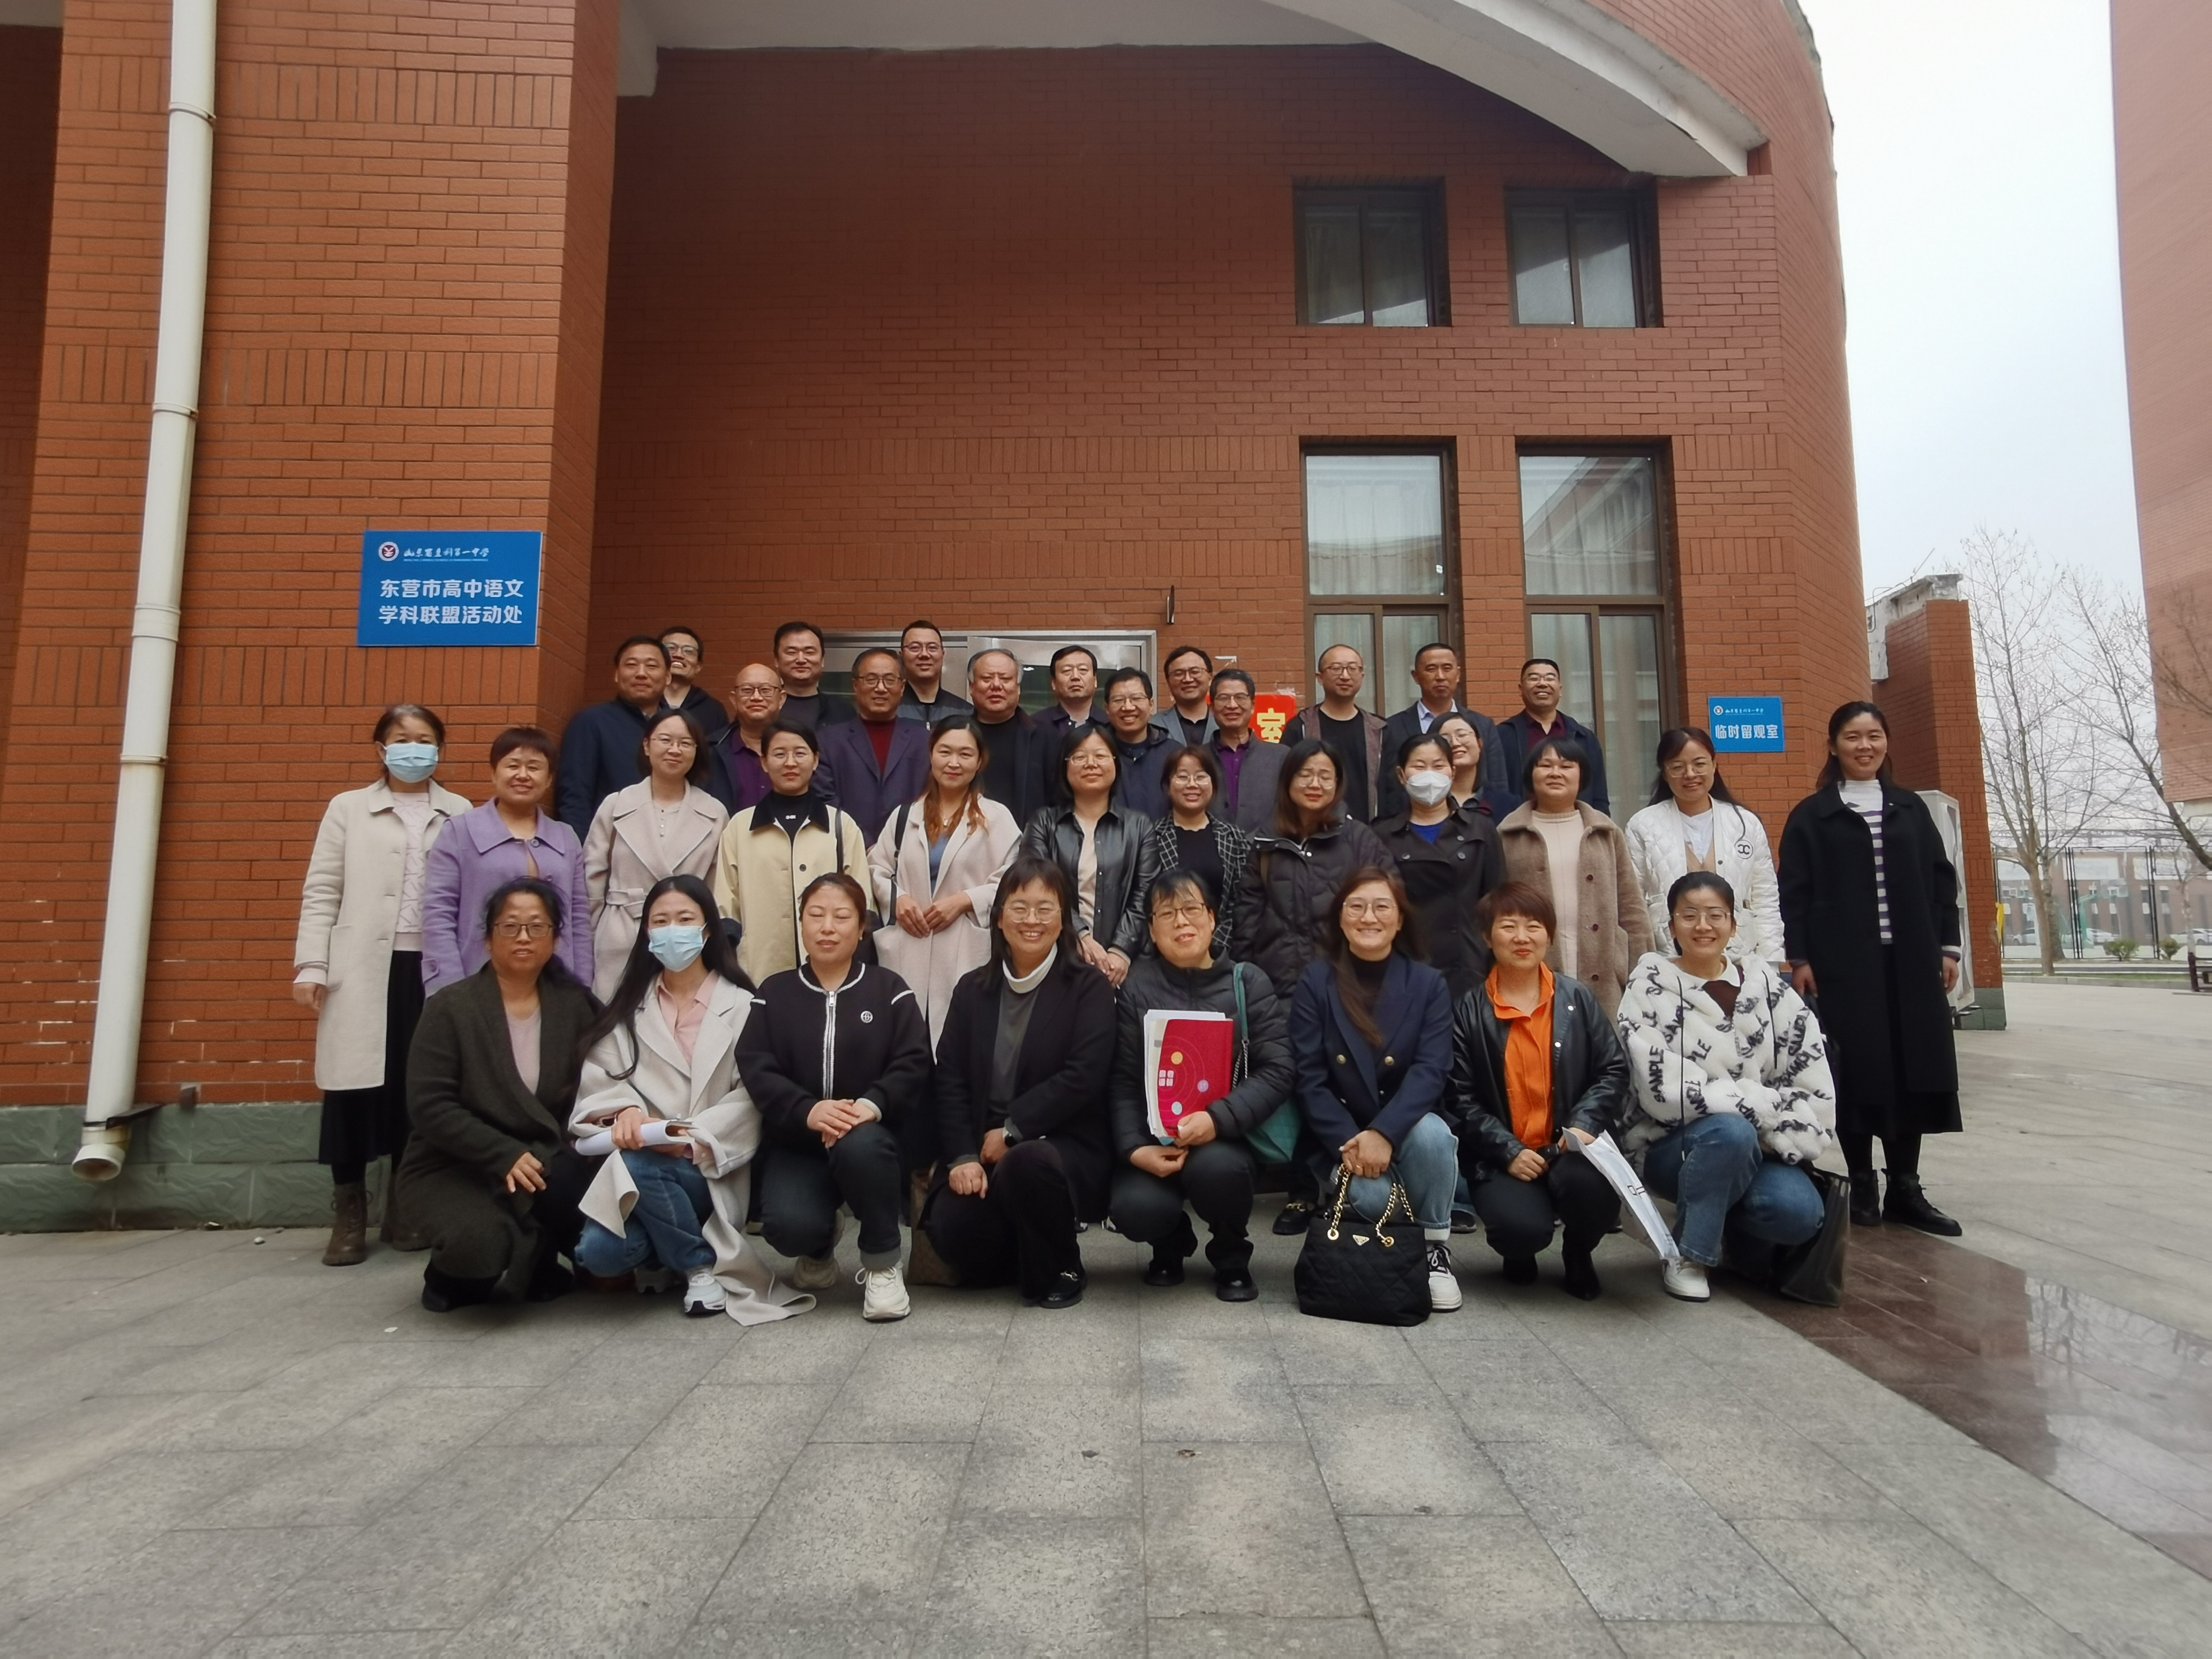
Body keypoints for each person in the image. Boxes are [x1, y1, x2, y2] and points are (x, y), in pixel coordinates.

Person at [572, 875, 809, 1323]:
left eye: (684, 919)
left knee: (640, 1164)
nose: (672, 931)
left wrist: (686, 1139)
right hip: (642, 1160)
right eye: (660, 921)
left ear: (707, 930)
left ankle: (697, 1267)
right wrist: (626, 1113)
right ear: (646, 932)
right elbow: (600, 1081)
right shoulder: (628, 1007)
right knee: (598, 1255)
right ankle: (680, 1250)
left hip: (708, 1166)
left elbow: (752, 1095)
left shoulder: (742, 1005)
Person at [294, 703, 472, 1264]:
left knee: (417, 1086)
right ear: (381, 748)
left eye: (424, 739)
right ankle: (349, 1210)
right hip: (362, 967)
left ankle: (406, 1205)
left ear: (439, 749)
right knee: (351, 1088)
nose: (413, 749)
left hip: (432, 968)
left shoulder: (459, 812)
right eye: (402, 738)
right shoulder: (348, 808)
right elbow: (322, 890)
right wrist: (312, 964)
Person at [1780, 700, 1964, 1235]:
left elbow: (1941, 881)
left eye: (1874, 736)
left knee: (1914, 1066)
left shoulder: (1910, 809)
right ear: (1833, 745)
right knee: (1857, 1070)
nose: (1865, 746)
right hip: (1843, 967)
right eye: (1853, 737)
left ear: (1886, 743)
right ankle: (1861, 1182)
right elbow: (1794, 893)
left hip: (1912, 962)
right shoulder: (1813, 815)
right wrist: (1800, 958)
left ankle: (1906, 1185)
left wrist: (1948, 948)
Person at [1617, 872, 1836, 1302]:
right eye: (1690, 915)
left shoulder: (1770, 991)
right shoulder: (1648, 987)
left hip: (1763, 1143)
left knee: (1799, 1214)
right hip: (1673, 1147)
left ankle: (1725, 1231)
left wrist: (1768, 1125)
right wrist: (1755, 1107)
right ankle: (1689, 1255)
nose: (1703, 926)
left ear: (1734, 925)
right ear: (1671, 925)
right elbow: (1662, 1091)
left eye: (1716, 915)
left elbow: (1811, 1084)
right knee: (1731, 1133)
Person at [922, 856, 1117, 1307]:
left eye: (1046, 908)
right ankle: (1026, 1248)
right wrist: (962, 1157)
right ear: (999, 917)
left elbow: (1084, 1075)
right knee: (954, 1231)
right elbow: (949, 1078)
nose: (1032, 920)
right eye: (1020, 907)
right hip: (981, 1143)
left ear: (1063, 919)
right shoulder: (972, 989)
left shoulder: (1088, 987)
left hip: (1062, 1143)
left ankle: (1063, 1263)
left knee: (1027, 1164)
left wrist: (1014, 1130)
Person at [738, 873, 933, 1321]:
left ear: (861, 928)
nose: (828, 927)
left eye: (842, 917)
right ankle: (820, 1242)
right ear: (802, 924)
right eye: (816, 915)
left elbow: (914, 1060)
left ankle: (883, 1265)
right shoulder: (775, 993)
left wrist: (869, 1106)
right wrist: (807, 1110)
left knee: (860, 1146)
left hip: (873, 1138)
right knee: (787, 1227)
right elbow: (755, 1064)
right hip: (798, 1141)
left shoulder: (889, 990)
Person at [401, 878, 597, 1312]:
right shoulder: (451, 1007)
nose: (524, 937)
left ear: (555, 939)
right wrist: (502, 1153)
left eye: (537, 927)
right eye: (510, 926)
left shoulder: (575, 1006)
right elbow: (430, 1106)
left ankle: (535, 1254)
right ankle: (462, 1272)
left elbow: (605, 1078)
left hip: (542, 1156)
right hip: (457, 1163)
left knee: (566, 1186)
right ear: (489, 938)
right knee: (478, 1251)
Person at [1231, 737, 1389, 1235]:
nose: (1315, 784)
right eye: (1305, 774)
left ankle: (1344, 1183)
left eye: (1325, 776)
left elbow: (1386, 908)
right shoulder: (1262, 843)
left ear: (1338, 784)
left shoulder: (1359, 839)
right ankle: (1301, 1191)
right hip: (1278, 988)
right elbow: (1245, 923)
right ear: (1288, 782)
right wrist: (1246, 983)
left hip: (1347, 988)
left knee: (1342, 1085)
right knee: (1297, 1085)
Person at [1109, 870, 1292, 1300]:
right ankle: (1170, 1242)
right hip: (1155, 1137)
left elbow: (1278, 1069)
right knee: (1134, 1208)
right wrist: (1134, 1149)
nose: (1181, 921)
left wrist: (1217, 1120)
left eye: (1192, 909)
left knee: (1219, 1171)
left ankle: (1231, 1255)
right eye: (1167, 913)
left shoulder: (1248, 982)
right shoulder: (1136, 988)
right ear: (1152, 929)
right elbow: (1121, 1080)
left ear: (1212, 919)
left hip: (1224, 1137)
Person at [1288, 867, 1463, 1311]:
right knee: (1372, 1197)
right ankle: (1396, 1237)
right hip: (1343, 1135)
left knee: (1435, 1136)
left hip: (1406, 1126)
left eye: (1382, 907)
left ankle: (1434, 1250)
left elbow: (1431, 1070)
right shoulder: (1316, 982)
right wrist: (1353, 1141)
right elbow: (1309, 1078)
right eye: (1357, 907)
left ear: (1400, 920)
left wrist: (1384, 1133)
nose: (1369, 917)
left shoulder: (1428, 984)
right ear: (1341, 917)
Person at [1451, 881, 1629, 1299]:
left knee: (1595, 1195)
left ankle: (1578, 1252)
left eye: (1533, 927)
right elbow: (1459, 1097)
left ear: (1549, 935)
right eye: (1508, 926)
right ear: (1487, 937)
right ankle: (1521, 1251)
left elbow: (1613, 1068)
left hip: (1572, 1148)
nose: (1522, 937)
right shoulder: (1469, 1011)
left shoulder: (1577, 999)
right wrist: (1507, 1151)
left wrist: (1584, 1124)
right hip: (1505, 1155)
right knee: (1519, 1231)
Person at [869, 716, 1022, 1046]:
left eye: (965, 754)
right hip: (908, 944)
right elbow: (876, 869)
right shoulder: (904, 816)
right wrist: (898, 899)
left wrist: (966, 900)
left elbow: (1013, 881)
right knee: (904, 1041)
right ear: (931, 755)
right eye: (945, 752)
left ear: (980, 761)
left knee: (958, 1043)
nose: (954, 763)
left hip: (965, 948)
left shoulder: (997, 818)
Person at [423, 727, 592, 995]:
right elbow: (439, 914)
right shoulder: (459, 831)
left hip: (556, 984)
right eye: (513, 765)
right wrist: (450, 988)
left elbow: (579, 918)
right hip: (475, 978)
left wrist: (582, 986)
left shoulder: (566, 837)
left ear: (549, 779)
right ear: (494, 773)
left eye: (534, 767)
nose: (523, 775)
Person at [1496, 735, 1651, 1020]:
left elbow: (1632, 907)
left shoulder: (1606, 832)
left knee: (1602, 1041)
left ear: (1582, 775)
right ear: (1531, 775)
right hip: (1529, 969)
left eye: (1566, 766)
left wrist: (1642, 972)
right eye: (1546, 765)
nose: (1555, 773)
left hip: (1604, 971)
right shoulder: (1508, 835)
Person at [711, 721, 872, 986]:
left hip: (832, 970)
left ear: (815, 760)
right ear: (764, 762)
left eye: (800, 753)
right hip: (758, 967)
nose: (790, 763)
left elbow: (861, 900)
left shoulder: (842, 825)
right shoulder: (740, 827)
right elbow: (726, 904)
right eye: (779, 754)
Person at [583, 709, 728, 998]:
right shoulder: (616, 805)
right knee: (614, 1018)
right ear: (647, 746)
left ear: (697, 751)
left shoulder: (714, 812)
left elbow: (716, 888)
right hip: (621, 933)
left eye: (685, 743)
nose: (675, 749)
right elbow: (592, 880)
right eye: (666, 740)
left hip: (685, 940)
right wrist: (594, 936)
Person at [1625, 727, 1785, 967]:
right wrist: (1640, 964)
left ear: (1714, 765)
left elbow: (1765, 898)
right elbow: (1632, 903)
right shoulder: (1643, 825)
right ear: (1665, 773)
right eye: (1678, 767)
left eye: (1699, 764)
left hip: (1740, 959)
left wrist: (1770, 963)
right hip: (1667, 959)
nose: (1690, 774)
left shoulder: (1745, 823)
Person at [1021, 725, 1158, 988]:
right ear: (1065, 766)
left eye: (1101, 756)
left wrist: (1121, 950)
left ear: (1115, 764)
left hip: (1125, 967)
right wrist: (1079, 935)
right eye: (1080, 757)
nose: (1091, 764)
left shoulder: (1139, 826)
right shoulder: (1044, 823)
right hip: (1056, 957)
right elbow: (1037, 886)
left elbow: (1147, 892)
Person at [1371, 732, 1503, 999]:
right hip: (1405, 967)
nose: (1429, 775)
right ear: (1401, 775)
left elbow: (1498, 902)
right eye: (1419, 766)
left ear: (1452, 772)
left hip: (1470, 967)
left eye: (1438, 765)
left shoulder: (1480, 829)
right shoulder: (1382, 835)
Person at [555, 635, 672, 840]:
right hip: (610, 846)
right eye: (631, 665)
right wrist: (582, 850)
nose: (641, 674)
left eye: (652, 666)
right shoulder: (591, 722)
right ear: (617, 674)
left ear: (668, 677)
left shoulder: (680, 728)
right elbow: (575, 797)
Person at [1376, 644, 1508, 820]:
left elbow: (1497, 782)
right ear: (1416, 676)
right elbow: (1388, 787)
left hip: (1477, 822)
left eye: (1447, 668)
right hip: (1411, 824)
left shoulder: (1483, 725)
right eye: (1431, 669)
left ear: (1458, 674)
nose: (1440, 676)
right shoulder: (1393, 727)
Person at [815, 647, 931, 846]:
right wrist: (863, 845)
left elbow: (934, 799)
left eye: (889, 680)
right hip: (847, 850)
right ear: (855, 685)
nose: (881, 688)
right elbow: (825, 800)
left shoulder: (925, 741)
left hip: (910, 850)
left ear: (902, 687)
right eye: (871, 679)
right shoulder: (828, 741)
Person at [1146, 745, 1252, 958]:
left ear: (1213, 784)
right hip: (1166, 952)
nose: (1192, 784)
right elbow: (1146, 899)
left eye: (1201, 777)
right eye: (1182, 777)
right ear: (1168, 786)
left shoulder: (1234, 838)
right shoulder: (1151, 837)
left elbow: (1242, 901)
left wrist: (1214, 944)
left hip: (1225, 953)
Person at [1492, 657, 1611, 817]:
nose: (1542, 684)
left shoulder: (1584, 738)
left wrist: (1599, 826)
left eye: (1550, 678)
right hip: (1521, 826)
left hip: (1576, 825)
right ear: (1521, 689)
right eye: (1534, 678)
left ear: (1560, 689)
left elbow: (1599, 796)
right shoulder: (1501, 736)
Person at [1292, 645, 1387, 823]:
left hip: (1369, 829)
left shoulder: (1380, 730)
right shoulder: (1301, 727)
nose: (1345, 676)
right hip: (1314, 829)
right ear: (1320, 678)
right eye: (1336, 668)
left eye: (1352, 669)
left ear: (1362, 676)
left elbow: (1391, 789)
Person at [968, 648, 1055, 824]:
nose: (996, 685)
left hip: (1029, 838)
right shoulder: (954, 736)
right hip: (964, 836)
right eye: (987, 679)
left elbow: (1058, 803)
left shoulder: (1047, 738)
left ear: (1018, 688)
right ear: (972, 687)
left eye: (1006, 679)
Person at [1208, 668, 1287, 834]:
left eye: (1240, 698)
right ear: (1212, 708)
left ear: (1253, 706)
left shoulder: (1281, 757)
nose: (1232, 705)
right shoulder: (1199, 759)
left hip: (1268, 847)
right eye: (1223, 698)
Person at [1103, 667, 1175, 819]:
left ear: (1151, 705)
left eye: (1136, 699)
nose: (1128, 707)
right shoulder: (1095, 753)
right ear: (1107, 709)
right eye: (1118, 700)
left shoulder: (1174, 754)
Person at [718, 661, 786, 812]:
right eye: (747, 690)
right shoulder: (711, 752)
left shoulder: (801, 751)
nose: (756, 697)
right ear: (734, 699)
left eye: (766, 690)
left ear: (781, 699)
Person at [770, 621, 852, 731]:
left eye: (809, 652)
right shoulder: (764, 707)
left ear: (822, 660)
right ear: (777, 660)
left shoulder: (843, 711)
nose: (801, 660)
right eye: (791, 652)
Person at [658, 625, 730, 745]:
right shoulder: (644, 702)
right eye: (671, 648)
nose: (679, 655)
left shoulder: (713, 710)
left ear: (698, 667)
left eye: (688, 651)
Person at [896, 619, 973, 724]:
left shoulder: (965, 712)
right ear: (901, 656)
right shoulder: (890, 709)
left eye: (932, 648)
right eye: (915, 648)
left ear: (943, 655)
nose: (924, 654)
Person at [1038, 643, 1100, 741]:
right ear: (1054, 683)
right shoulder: (1036, 725)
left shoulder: (1112, 724)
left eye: (1083, 670)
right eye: (1067, 671)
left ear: (1095, 680)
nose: (1075, 677)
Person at [1161, 645, 1219, 745]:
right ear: (1168, 682)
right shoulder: (1153, 725)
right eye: (1179, 674)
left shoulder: (1225, 722)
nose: (1188, 679)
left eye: (1195, 672)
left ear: (1210, 678)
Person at [1433, 712, 1490, 816]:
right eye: (1445, 739)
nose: (1455, 743)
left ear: (1480, 744)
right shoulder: (1421, 804)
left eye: (1462, 735)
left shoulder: (1506, 803)